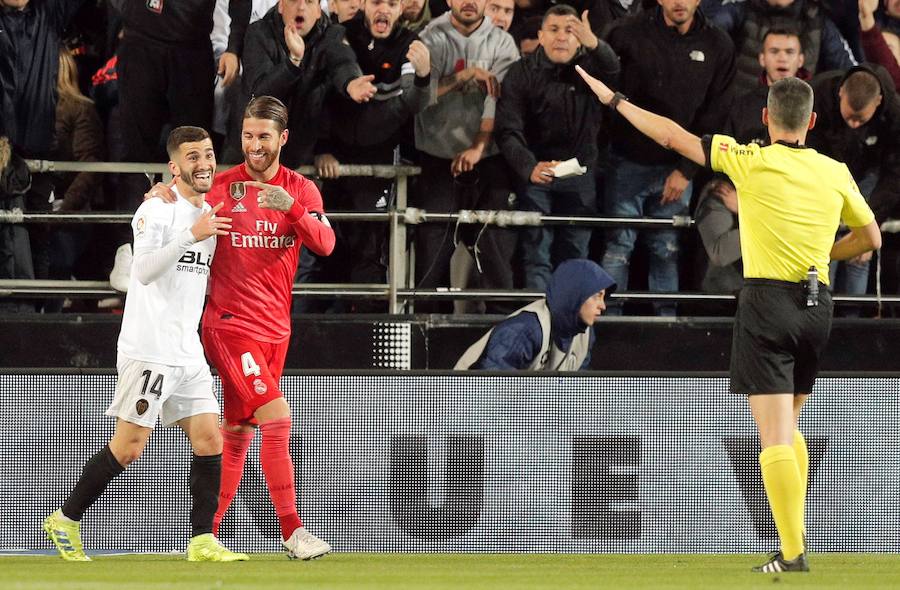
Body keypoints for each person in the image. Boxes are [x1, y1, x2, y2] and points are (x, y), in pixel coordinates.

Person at [577, 62, 881, 572]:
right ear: (811, 123)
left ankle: (791, 553)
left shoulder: (749, 159)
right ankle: (795, 536)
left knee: (774, 437)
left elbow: (674, 136)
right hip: (817, 306)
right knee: (790, 425)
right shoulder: (835, 171)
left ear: (765, 118)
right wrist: (830, 251)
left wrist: (615, 101)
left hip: (767, 303)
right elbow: (871, 239)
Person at [43, 126, 247, 563]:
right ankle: (65, 518)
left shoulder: (211, 211)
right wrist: (192, 234)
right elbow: (145, 270)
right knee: (130, 446)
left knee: (211, 438)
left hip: (186, 348)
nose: (204, 163)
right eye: (192, 157)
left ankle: (201, 540)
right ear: (174, 167)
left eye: (208, 154)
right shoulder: (156, 211)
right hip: (150, 345)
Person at [148, 96, 337, 560]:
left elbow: (326, 243)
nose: (254, 145)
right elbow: (178, 197)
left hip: (276, 330)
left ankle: (204, 536)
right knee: (277, 418)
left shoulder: (301, 191)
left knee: (237, 432)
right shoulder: (222, 186)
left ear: (282, 139)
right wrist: (160, 192)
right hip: (229, 325)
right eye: (248, 136)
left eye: (263, 137)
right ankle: (293, 532)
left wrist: (291, 208)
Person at [601, 0, 735, 315]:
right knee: (618, 250)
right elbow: (607, 91)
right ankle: (605, 326)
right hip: (626, 161)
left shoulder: (719, 44)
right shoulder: (627, 33)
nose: (679, 2)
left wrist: (686, 171)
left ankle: (666, 328)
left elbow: (716, 114)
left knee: (667, 250)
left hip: (678, 168)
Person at [312, 0, 433, 311]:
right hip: (332, 158)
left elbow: (414, 102)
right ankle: (316, 319)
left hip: (378, 159)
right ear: (364, 5)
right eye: (377, 1)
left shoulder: (410, 43)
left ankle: (362, 324)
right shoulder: (340, 33)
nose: (384, 10)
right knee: (323, 240)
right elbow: (331, 77)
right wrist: (323, 148)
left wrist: (423, 77)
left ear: (401, 9)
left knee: (370, 243)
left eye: (392, 3)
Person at [496, 5, 619, 290]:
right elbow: (507, 129)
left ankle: (571, 327)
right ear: (540, 35)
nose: (562, 37)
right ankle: (540, 325)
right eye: (554, 30)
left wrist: (595, 44)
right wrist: (529, 167)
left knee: (575, 254)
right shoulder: (520, 73)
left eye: (570, 31)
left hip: (579, 174)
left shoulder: (592, 69)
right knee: (536, 254)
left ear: (580, 39)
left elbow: (613, 70)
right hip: (537, 174)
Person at [413, 0, 521, 313]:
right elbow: (416, 97)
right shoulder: (429, 37)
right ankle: (426, 340)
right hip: (436, 159)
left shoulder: (503, 42)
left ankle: (503, 335)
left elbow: (496, 101)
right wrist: (461, 77)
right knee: (432, 256)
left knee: (496, 254)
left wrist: (478, 147)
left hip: (488, 159)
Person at [695, 28, 808, 295]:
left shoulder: (813, 106)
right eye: (774, 51)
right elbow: (722, 159)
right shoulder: (741, 105)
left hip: (784, 206)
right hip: (742, 199)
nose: (782, 58)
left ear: (801, 60)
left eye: (789, 52)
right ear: (761, 59)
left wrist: (748, 207)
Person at [807, 64, 899, 307]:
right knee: (824, 245)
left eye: (861, 119)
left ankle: (852, 318)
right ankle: (822, 308)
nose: (855, 124)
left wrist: (871, 223)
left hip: (868, 176)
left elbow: (895, 174)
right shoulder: (818, 95)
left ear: (878, 102)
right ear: (840, 94)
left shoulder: (894, 112)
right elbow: (806, 152)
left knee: (860, 253)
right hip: (823, 174)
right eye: (850, 117)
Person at [455, 259, 615, 370]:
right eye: (596, 296)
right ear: (576, 294)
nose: (602, 305)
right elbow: (491, 391)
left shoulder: (584, 333)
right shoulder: (526, 329)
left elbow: (578, 393)